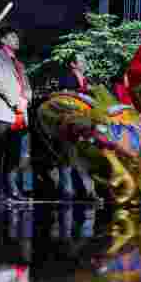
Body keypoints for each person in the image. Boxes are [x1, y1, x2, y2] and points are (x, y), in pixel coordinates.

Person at [0, 27, 33, 202]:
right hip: (3, 110)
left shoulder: (19, 63)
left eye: (16, 36)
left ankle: (12, 188)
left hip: (20, 112)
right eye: (12, 36)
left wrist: (27, 98)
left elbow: (27, 86)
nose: (16, 39)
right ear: (3, 40)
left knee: (14, 153)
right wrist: (15, 100)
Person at [55, 54, 98, 200]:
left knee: (83, 157)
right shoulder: (66, 78)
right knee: (67, 155)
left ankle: (87, 192)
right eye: (81, 61)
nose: (85, 63)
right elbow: (62, 96)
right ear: (73, 64)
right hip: (68, 122)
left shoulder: (88, 80)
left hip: (86, 122)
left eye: (85, 60)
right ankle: (67, 191)